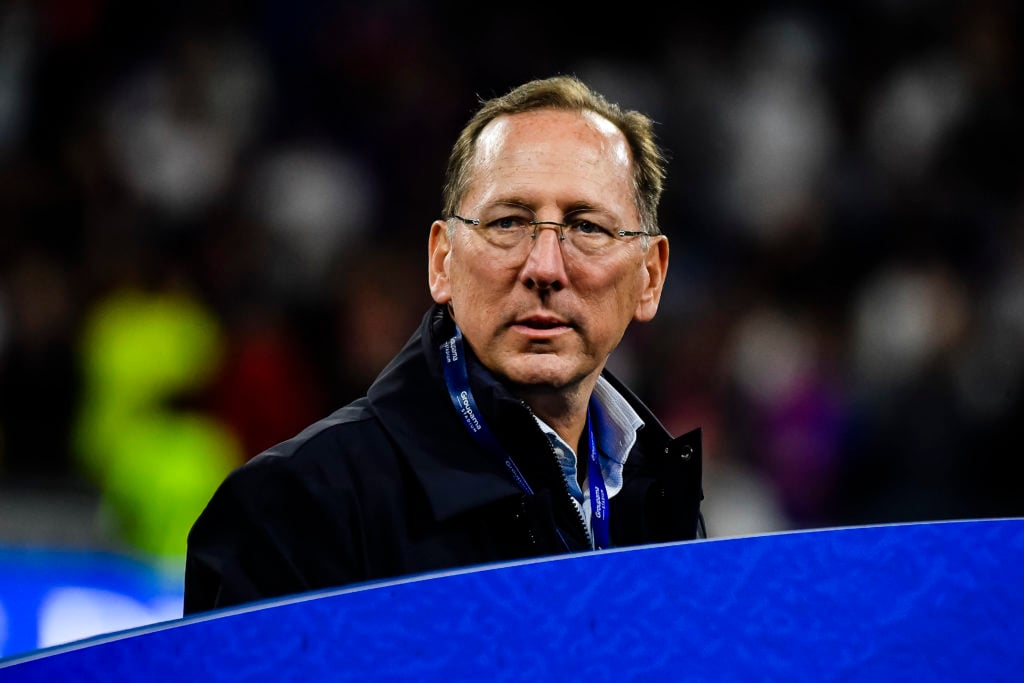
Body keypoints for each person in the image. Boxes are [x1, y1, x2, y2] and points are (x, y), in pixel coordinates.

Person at [183, 74, 706, 615]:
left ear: (650, 276)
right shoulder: (298, 505)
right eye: (508, 221)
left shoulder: (662, 502)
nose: (545, 268)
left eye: (587, 226)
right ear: (442, 263)